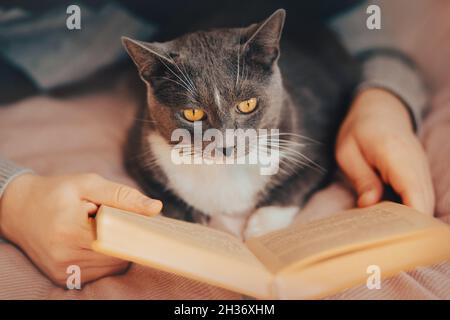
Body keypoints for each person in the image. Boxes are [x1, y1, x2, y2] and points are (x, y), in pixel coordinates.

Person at [0, 0, 434, 286]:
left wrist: (384, 100)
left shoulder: (294, 119)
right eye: (193, 117)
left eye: (246, 108)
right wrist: (12, 195)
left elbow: (362, 26)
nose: (224, 142)